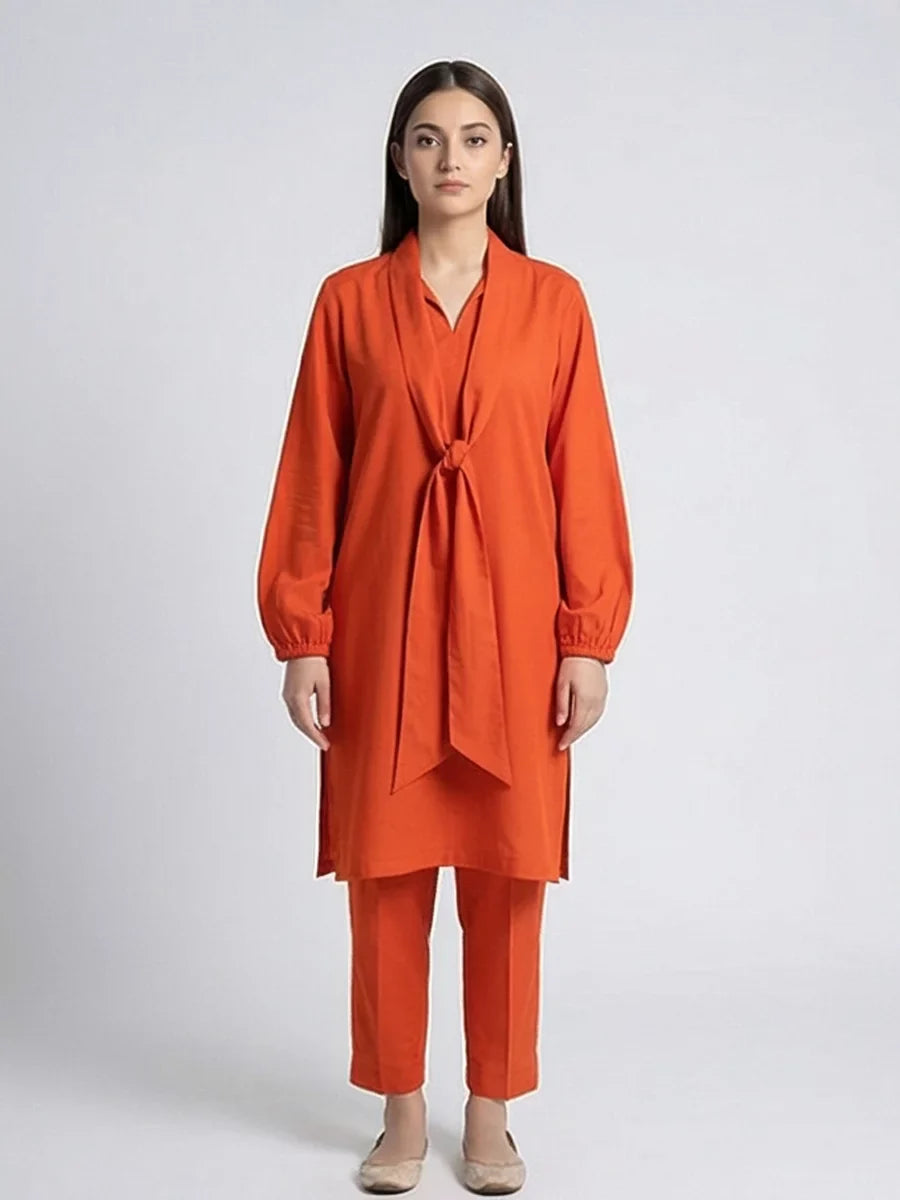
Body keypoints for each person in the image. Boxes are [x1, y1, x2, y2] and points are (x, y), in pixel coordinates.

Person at [256, 59, 634, 1195]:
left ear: (505, 161)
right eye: (428, 138)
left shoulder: (555, 303)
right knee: (385, 874)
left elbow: (583, 475)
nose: (451, 158)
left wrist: (587, 635)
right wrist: (304, 632)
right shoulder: (348, 302)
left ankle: (493, 1109)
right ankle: (400, 1108)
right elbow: (314, 473)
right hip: (384, 627)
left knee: (508, 876)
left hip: (515, 632)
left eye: (474, 138)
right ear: (400, 160)